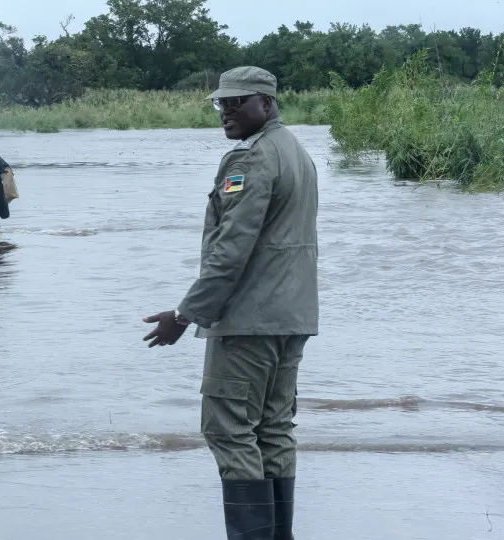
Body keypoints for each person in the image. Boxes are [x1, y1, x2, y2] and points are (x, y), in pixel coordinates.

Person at [141, 66, 319, 540]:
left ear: (266, 102)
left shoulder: (252, 160)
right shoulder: (296, 151)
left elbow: (230, 250)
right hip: (292, 316)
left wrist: (185, 315)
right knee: (273, 429)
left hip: (249, 320)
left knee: (229, 429)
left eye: (237, 102)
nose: (225, 111)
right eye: (222, 102)